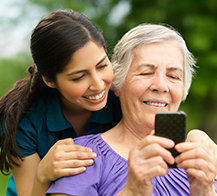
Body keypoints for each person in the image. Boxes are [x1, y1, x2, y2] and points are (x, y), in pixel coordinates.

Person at [46, 23, 217, 196]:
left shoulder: (207, 157)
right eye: (145, 73)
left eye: (173, 76)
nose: (160, 86)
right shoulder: (81, 157)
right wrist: (131, 191)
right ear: (118, 85)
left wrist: (205, 192)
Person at [0, 9, 122, 196]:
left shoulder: (122, 100)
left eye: (102, 66)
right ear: (49, 80)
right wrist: (42, 175)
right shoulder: (23, 121)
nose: (98, 84)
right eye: (79, 77)